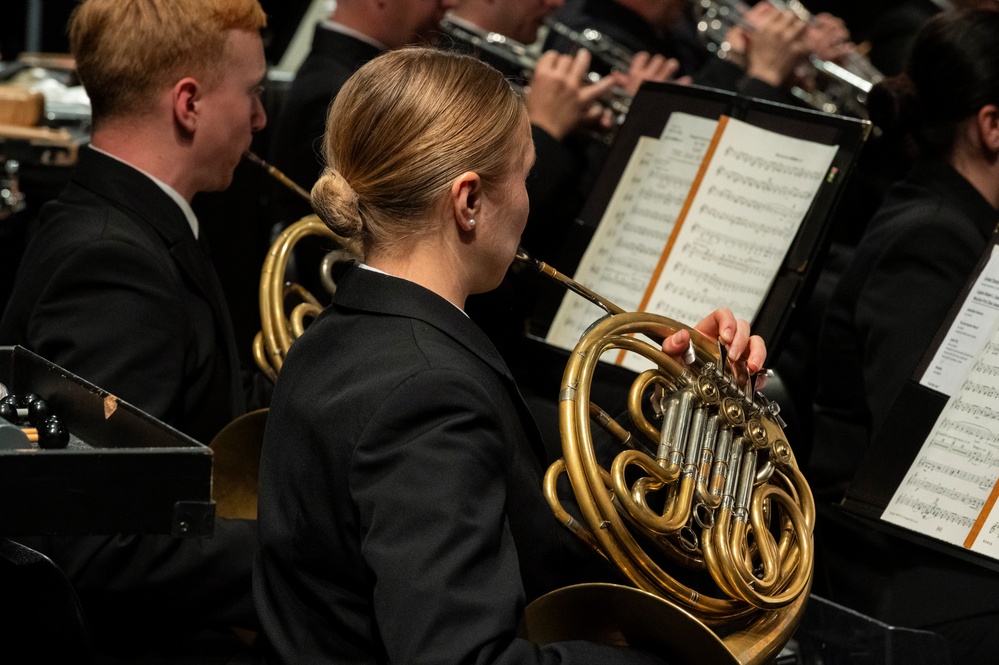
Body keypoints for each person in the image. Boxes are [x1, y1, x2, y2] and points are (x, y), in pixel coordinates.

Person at [253, 46, 767, 664]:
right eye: (524, 175)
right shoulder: (427, 391)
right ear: (468, 201)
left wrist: (688, 413)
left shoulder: (340, 332)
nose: (528, 200)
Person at [0, 0, 268, 661]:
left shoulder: (121, 222)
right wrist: (308, 552)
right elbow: (102, 542)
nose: (261, 118)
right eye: (253, 93)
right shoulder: (114, 263)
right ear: (189, 103)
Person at [809, 9, 999, 664]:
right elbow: (925, 450)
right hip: (891, 570)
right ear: (991, 127)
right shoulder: (930, 235)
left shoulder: (951, 214)